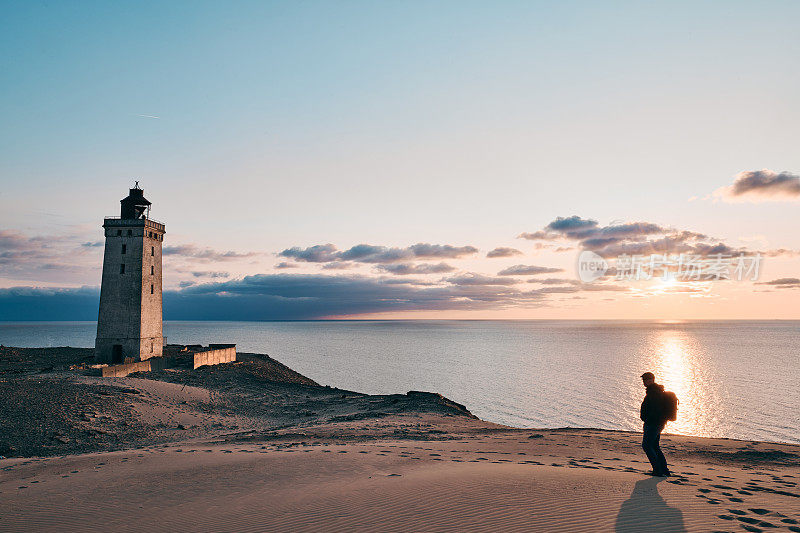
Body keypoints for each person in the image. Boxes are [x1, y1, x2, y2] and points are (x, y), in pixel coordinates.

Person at [640, 372, 670, 477]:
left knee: (647, 446)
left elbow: (655, 410)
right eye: (643, 380)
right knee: (654, 446)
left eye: (646, 379)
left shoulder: (654, 392)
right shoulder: (654, 391)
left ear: (652, 380)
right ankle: (664, 470)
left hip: (653, 424)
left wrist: (648, 419)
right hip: (657, 423)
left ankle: (658, 470)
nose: (644, 381)